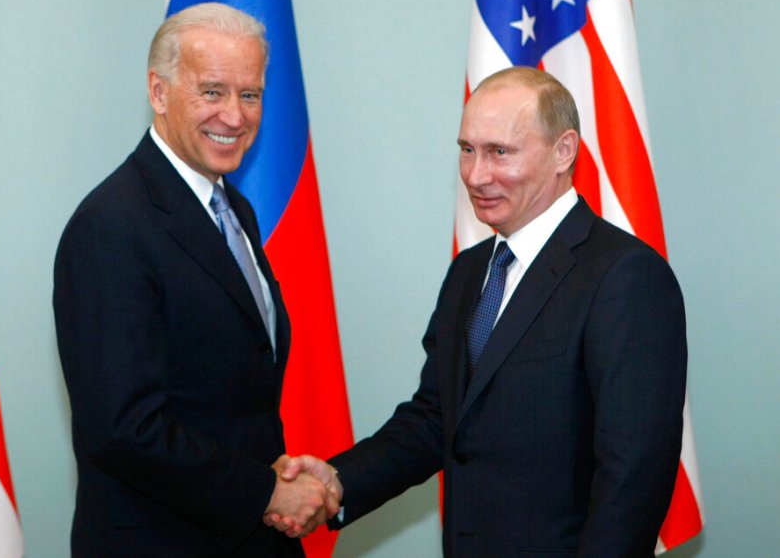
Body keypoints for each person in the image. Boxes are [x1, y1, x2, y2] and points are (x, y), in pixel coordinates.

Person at [270, 66, 687, 557]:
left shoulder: (625, 277)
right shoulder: (470, 272)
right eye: (467, 150)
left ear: (564, 151)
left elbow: (633, 476)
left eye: (499, 153)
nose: (475, 174)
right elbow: (437, 418)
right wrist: (338, 481)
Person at [54, 2, 336, 557]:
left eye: (249, 94)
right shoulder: (111, 225)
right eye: (212, 91)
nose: (234, 115)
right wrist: (265, 491)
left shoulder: (234, 209)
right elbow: (124, 428)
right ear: (158, 93)